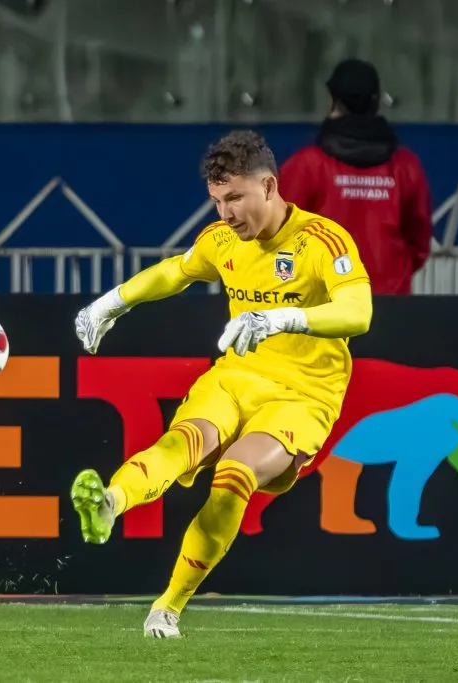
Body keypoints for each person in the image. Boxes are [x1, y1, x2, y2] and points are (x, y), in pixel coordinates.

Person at [70, 130, 373, 638]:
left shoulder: (322, 240)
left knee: (234, 471)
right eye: (216, 201)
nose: (226, 214)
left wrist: (282, 319)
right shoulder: (222, 241)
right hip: (235, 377)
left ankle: (167, 606)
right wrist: (112, 303)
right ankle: (109, 505)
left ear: (270, 186)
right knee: (183, 443)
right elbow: (177, 272)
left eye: (235, 198)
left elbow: (358, 312)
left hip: (303, 395)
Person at [279, 58, 433, 295]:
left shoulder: (306, 165)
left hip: (323, 307)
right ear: (377, 103)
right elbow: (419, 243)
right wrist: (391, 275)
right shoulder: (406, 167)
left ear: (333, 101)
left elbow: (278, 236)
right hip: (390, 305)